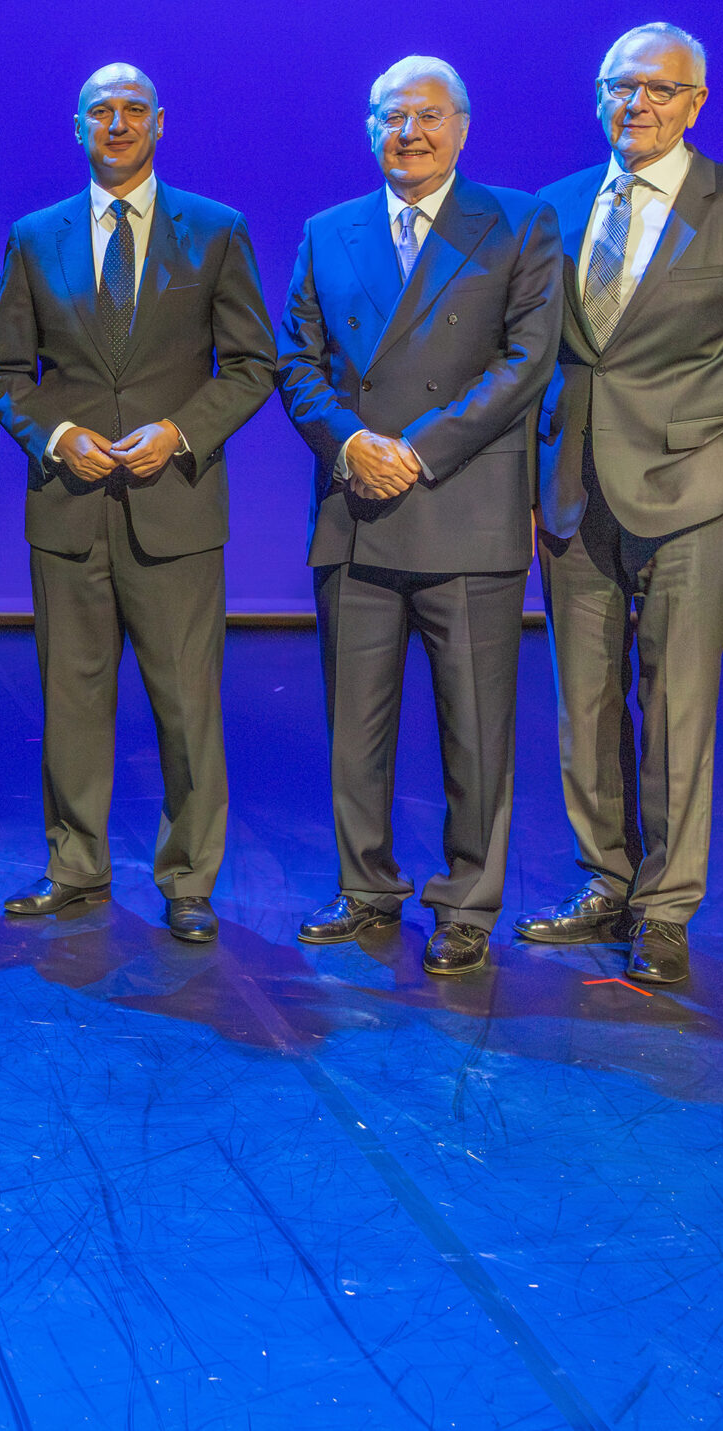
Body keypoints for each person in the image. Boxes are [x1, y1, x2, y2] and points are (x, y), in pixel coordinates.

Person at [514, 25, 723, 985]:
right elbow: (533, 355)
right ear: (599, 96)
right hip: (573, 492)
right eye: (622, 86)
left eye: (660, 89)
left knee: (677, 705)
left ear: (696, 102)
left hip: (693, 492)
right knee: (584, 705)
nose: (638, 103)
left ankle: (664, 909)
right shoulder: (554, 206)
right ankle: (605, 881)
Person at [276, 57, 564, 976]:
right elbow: (296, 361)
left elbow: (527, 360)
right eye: (392, 116)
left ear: (463, 126)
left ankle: (468, 901)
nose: (411, 132)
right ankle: (365, 887)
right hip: (356, 510)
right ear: (370, 130)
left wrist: (419, 447)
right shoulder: (328, 230)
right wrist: (352, 443)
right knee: (353, 728)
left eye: (430, 115)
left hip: (464, 508)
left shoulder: (518, 220)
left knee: (475, 731)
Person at [0, 63, 277, 942]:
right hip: (69, 507)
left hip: (173, 506)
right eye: (101, 111)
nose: (117, 123)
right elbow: (4, 372)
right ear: (78, 127)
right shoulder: (35, 236)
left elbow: (252, 365)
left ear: (160, 123)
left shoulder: (216, 231)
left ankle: (189, 879)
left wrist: (180, 432)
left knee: (186, 706)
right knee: (71, 702)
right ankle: (75, 866)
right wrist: (56, 435)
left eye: (133, 110)